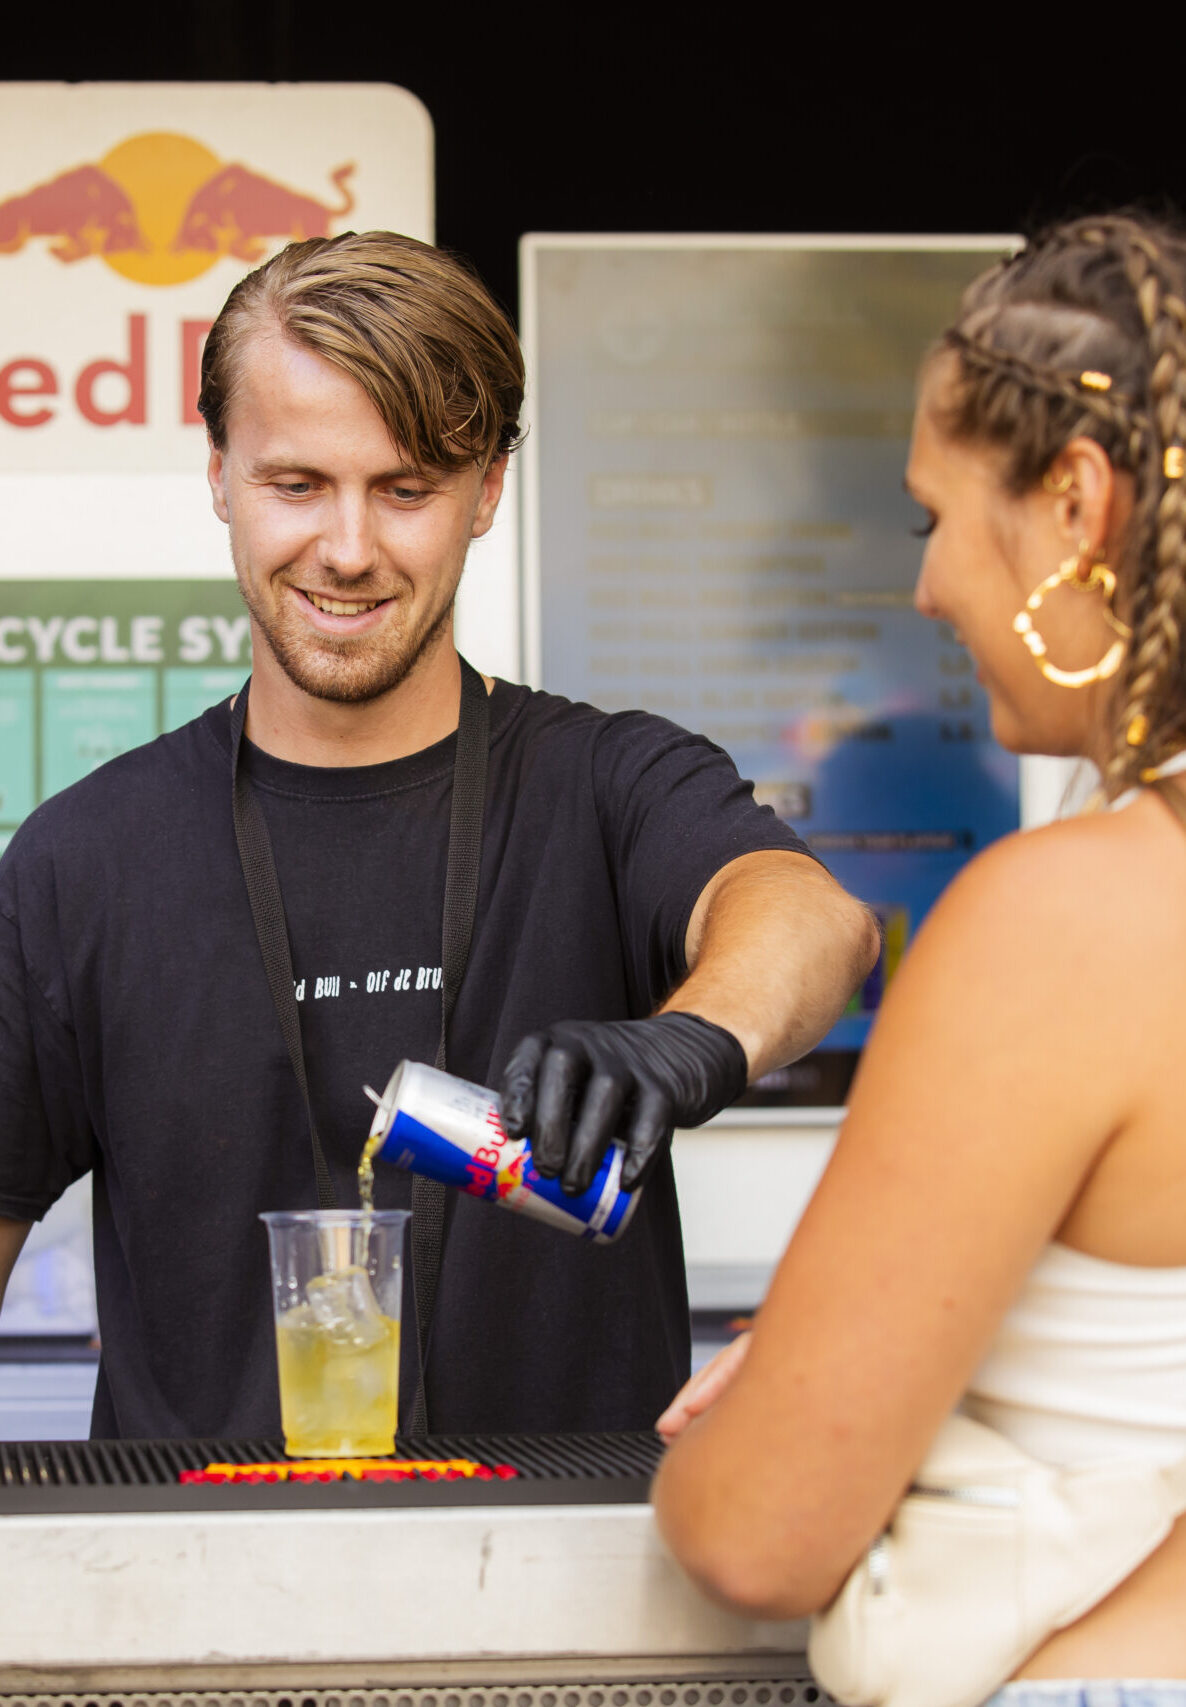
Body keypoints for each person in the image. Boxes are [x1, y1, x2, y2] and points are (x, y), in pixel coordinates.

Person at [0, 231, 878, 1441]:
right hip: (196, 1596)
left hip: (571, 1594)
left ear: (486, 492)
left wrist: (690, 1040)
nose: (348, 549)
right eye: (295, 484)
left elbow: (809, 917)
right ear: (217, 476)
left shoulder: (603, 781)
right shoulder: (80, 863)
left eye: (405, 489)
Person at [652, 211, 1186, 1703]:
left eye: (932, 518)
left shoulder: (1066, 916)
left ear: (1076, 502)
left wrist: (790, 1387)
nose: (926, 587)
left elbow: (751, 1530)